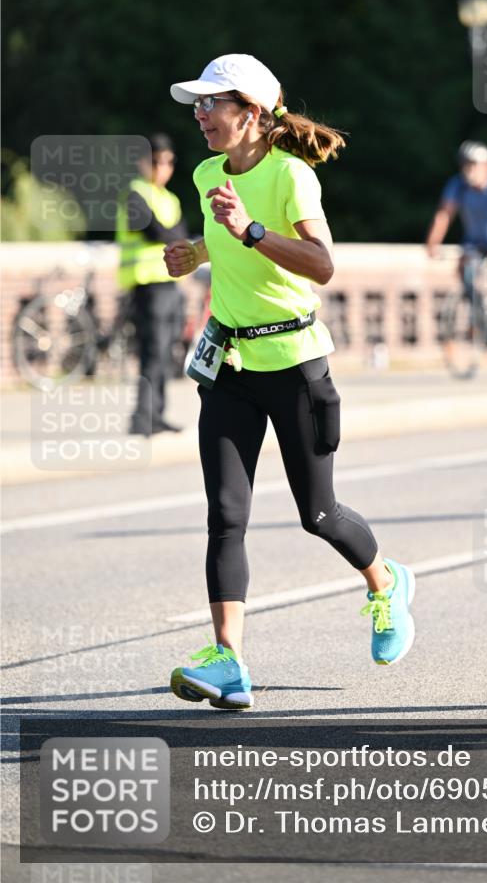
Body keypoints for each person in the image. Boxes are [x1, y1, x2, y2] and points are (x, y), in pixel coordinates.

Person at [163, 53, 416, 709]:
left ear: (249, 114)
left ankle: (385, 585)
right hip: (230, 369)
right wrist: (196, 250)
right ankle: (228, 661)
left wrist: (248, 231)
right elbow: (223, 239)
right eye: (197, 104)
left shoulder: (290, 176)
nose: (199, 115)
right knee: (225, 515)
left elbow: (321, 265)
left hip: (296, 366)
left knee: (319, 514)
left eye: (210, 104)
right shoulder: (204, 172)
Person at [426, 140, 487, 370]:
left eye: (474, 165)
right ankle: (479, 311)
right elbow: (445, 214)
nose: (469, 170)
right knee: (464, 269)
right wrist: (433, 241)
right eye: (466, 165)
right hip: (475, 241)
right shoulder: (458, 185)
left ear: (486, 166)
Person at [116, 133, 188, 436]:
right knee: (152, 352)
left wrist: (170, 234)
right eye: (156, 161)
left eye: (168, 161)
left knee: (165, 351)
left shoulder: (169, 198)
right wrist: (171, 234)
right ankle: (141, 418)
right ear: (142, 162)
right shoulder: (135, 194)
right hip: (146, 286)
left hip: (169, 285)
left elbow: (178, 233)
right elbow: (155, 232)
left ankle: (156, 414)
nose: (163, 167)